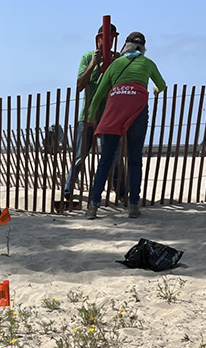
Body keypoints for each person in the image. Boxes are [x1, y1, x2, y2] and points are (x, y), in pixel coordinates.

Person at [85, 31, 166, 219]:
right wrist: (155, 88)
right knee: (135, 158)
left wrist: (91, 115)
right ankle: (133, 205)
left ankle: (93, 207)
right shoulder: (147, 63)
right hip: (137, 110)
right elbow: (162, 84)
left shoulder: (116, 65)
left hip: (115, 111)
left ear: (126, 46)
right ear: (143, 48)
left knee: (105, 160)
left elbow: (98, 95)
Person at [61, 24, 120, 207]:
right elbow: (79, 85)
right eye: (105, 37)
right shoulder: (88, 57)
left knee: (115, 155)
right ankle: (68, 191)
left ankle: (122, 191)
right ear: (98, 38)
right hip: (87, 116)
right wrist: (94, 64)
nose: (108, 41)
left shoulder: (118, 58)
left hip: (109, 116)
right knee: (80, 155)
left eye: (112, 37)